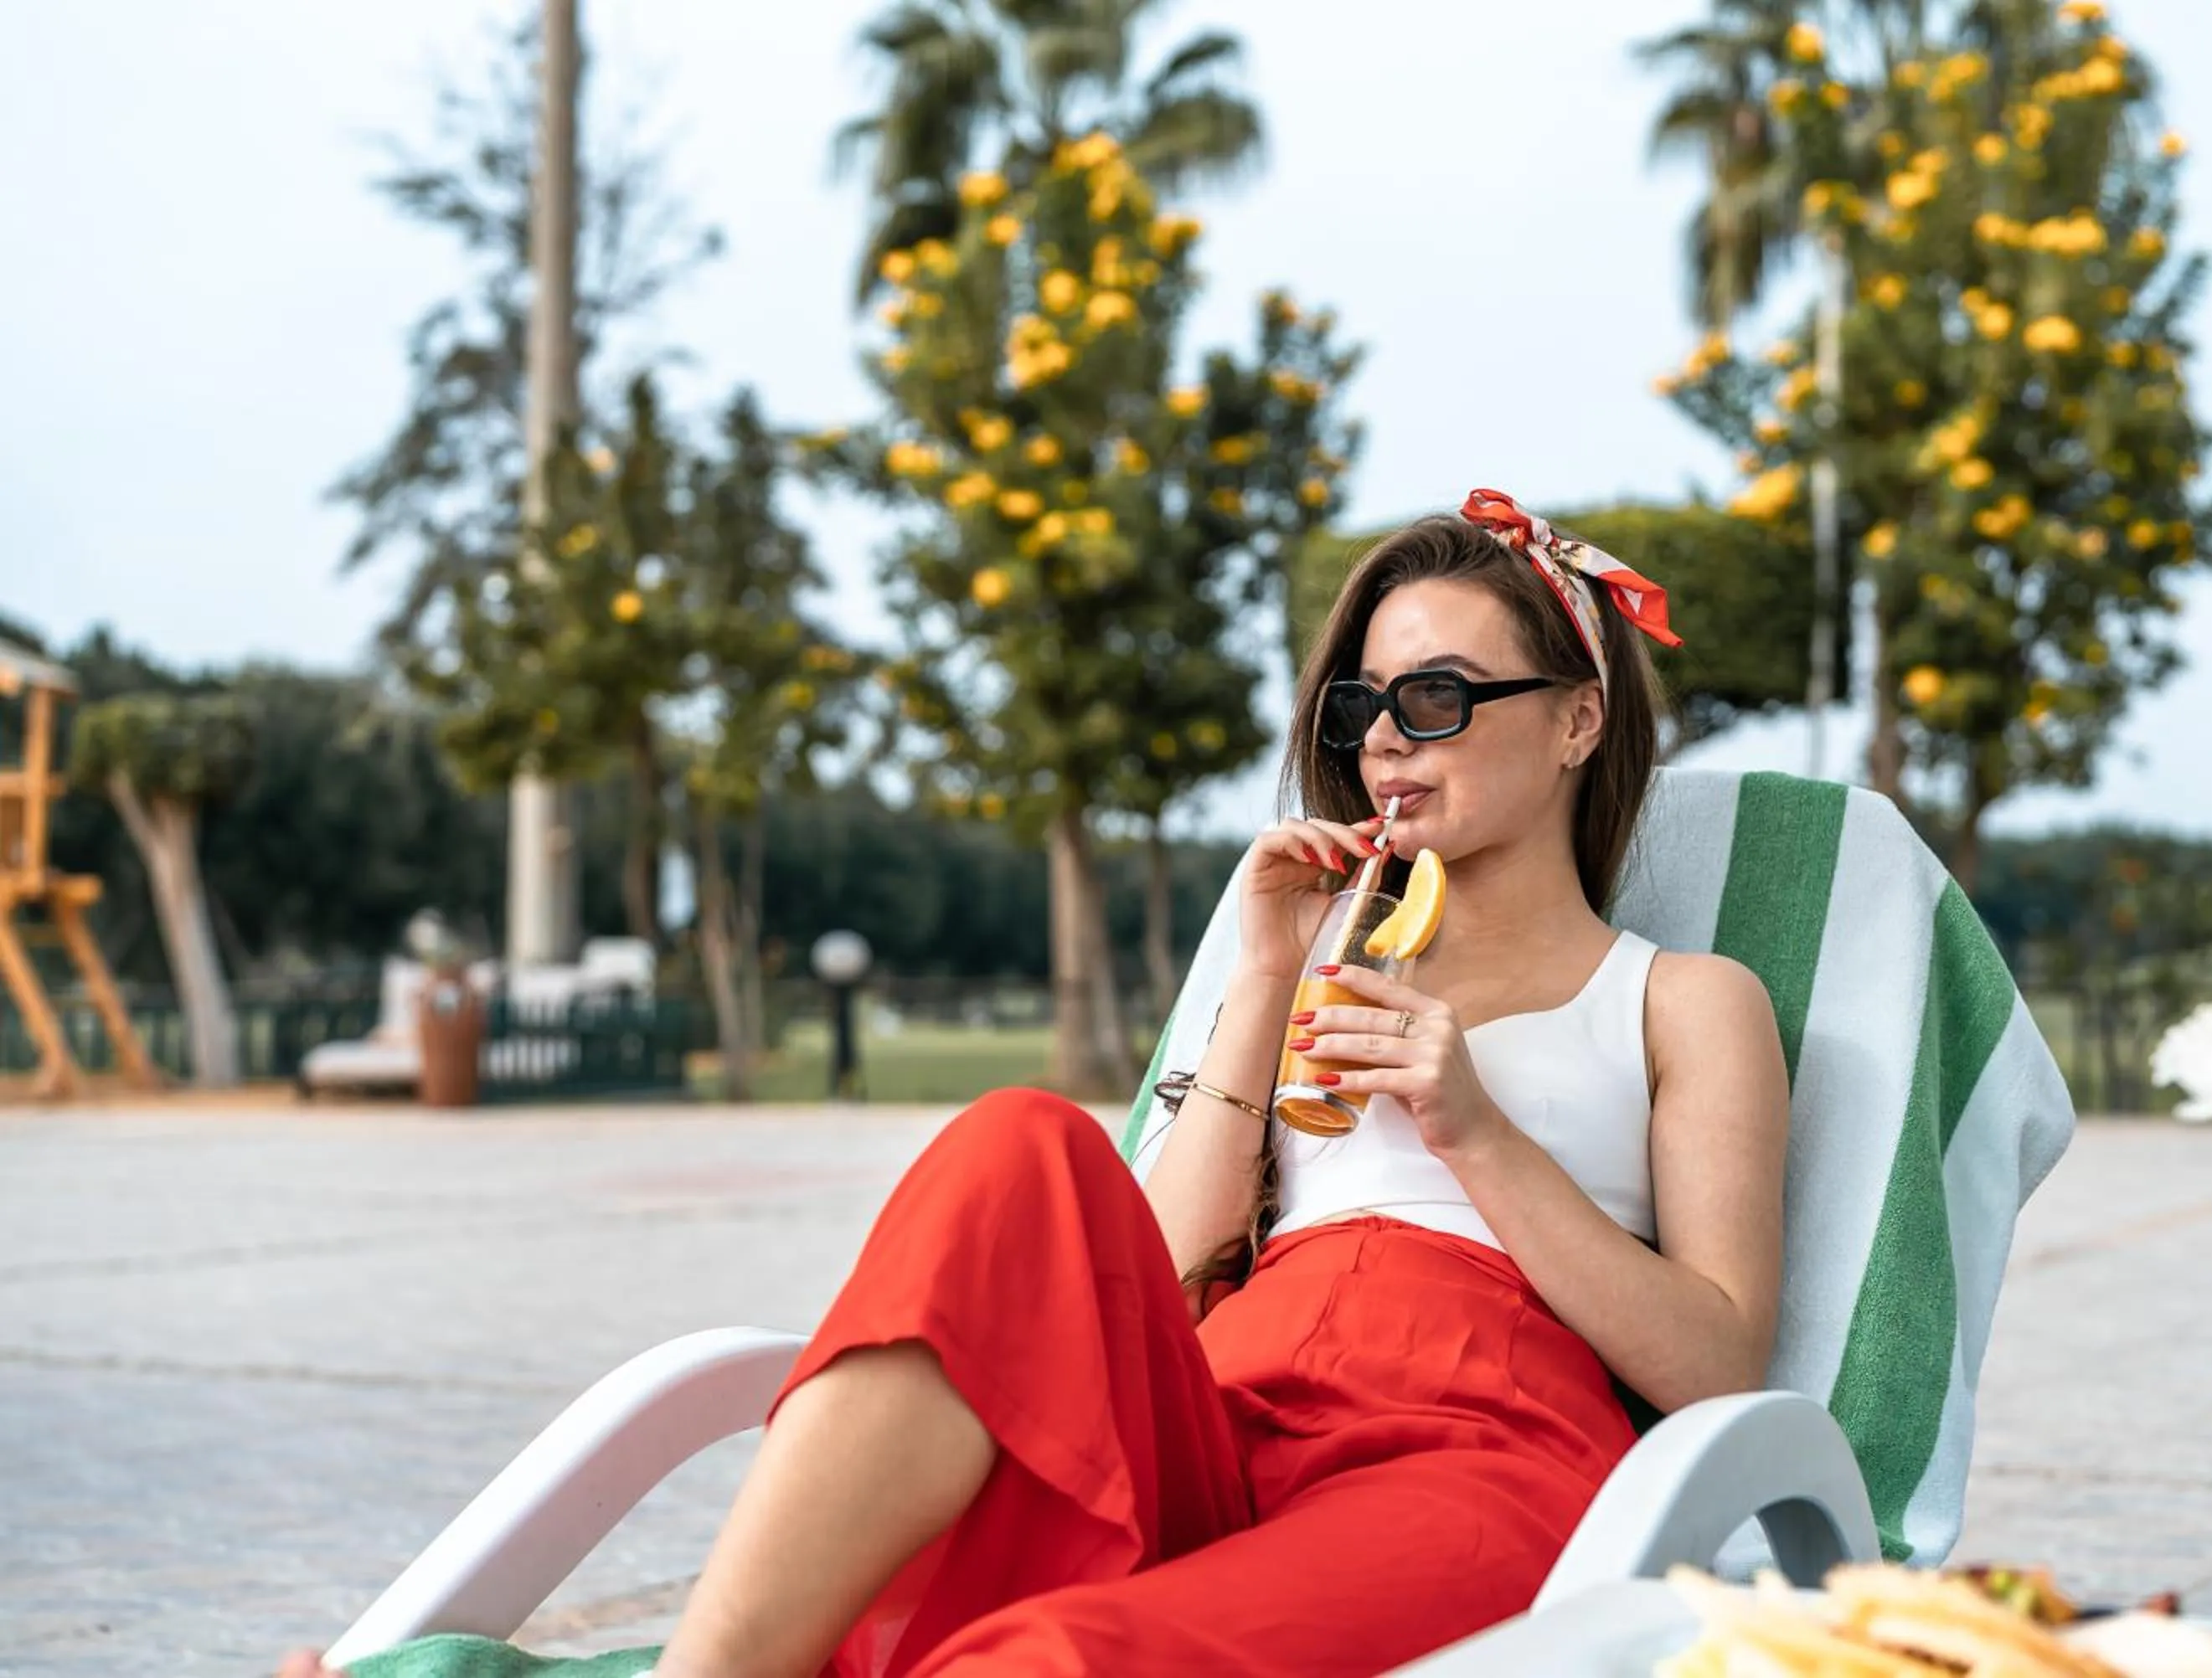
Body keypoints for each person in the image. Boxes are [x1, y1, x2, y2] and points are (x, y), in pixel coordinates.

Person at [281, 488, 1790, 1678]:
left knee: (1045, 1660)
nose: (1389, 739)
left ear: (1579, 720)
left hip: (1471, 1461)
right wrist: (1261, 974)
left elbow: (1719, 1370)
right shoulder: (1322, 963)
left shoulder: (1678, 1001)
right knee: (1019, 1141)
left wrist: (1475, 1132)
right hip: (1227, 1411)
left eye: (1443, 697)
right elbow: (1159, 1260)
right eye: (1361, 706)